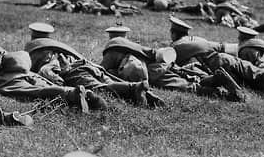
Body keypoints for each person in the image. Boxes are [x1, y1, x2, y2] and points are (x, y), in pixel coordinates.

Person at [0, 19, 106, 111]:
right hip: (25, 71)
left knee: (35, 92)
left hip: (6, 80)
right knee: (45, 85)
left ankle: (72, 94)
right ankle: (82, 95)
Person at [25, 27, 163, 108]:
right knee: (109, 83)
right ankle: (145, 94)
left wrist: (55, 81)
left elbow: (49, 71)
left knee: (99, 88)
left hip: (74, 71)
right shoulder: (58, 47)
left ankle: (134, 88)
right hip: (90, 66)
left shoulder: (44, 54)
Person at [168, 16, 264, 98]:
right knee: (254, 72)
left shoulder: (173, 48)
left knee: (248, 83)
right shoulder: (199, 39)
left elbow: (171, 65)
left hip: (213, 69)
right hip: (223, 57)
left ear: (174, 34)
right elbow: (226, 47)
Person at [100, 28, 245, 102]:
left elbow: (100, 71)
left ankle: (223, 94)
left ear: (110, 36)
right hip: (164, 64)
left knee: (187, 87)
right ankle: (215, 79)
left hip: (153, 73)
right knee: (189, 78)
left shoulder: (112, 49)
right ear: (125, 34)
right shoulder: (132, 45)